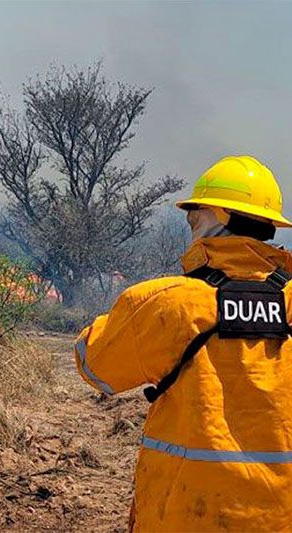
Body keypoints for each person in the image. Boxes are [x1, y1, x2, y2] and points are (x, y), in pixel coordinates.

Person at [75, 155, 292, 531]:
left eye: (196, 213)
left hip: (185, 516)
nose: (191, 221)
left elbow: (96, 367)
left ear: (217, 217)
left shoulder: (171, 303)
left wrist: (125, 316)